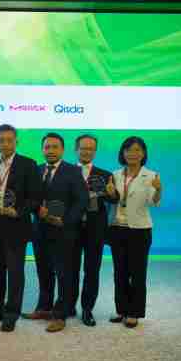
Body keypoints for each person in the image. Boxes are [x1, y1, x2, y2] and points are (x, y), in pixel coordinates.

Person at [0, 124, 42, 332]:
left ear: (16, 141)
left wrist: (18, 211)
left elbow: (35, 197)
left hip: (16, 225)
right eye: (1, 140)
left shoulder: (28, 164)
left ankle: (11, 314)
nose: (5, 143)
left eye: (9, 140)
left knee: (15, 272)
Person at [24, 133, 87, 333]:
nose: (50, 150)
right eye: (47, 147)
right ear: (42, 149)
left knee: (64, 274)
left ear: (62, 150)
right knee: (43, 271)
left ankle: (60, 314)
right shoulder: (36, 170)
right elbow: (30, 198)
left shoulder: (73, 171)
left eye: (54, 147)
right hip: (40, 230)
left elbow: (81, 201)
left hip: (64, 231)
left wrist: (65, 220)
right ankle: (43, 308)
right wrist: (36, 210)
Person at [108, 136, 161, 329]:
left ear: (143, 153)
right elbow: (113, 200)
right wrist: (110, 193)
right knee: (119, 272)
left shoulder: (151, 175)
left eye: (137, 150)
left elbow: (153, 202)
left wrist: (159, 190)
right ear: (123, 153)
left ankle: (134, 312)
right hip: (117, 228)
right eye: (129, 150)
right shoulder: (115, 175)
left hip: (139, 230)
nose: (133, 153)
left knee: (137, 272)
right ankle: (121, 309)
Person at [70, 134, 116, 326]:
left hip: (95, 229)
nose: (86, 151)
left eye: (90, 148)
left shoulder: (105, 174)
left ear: (95, 151)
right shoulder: (67, 171)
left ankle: (87, 309)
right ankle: (68, 305)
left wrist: (112, 193)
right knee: (69, 270)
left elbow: (113, 199)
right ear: (76, 149)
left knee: (92, 270)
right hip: (71, 229)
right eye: (83, 148)